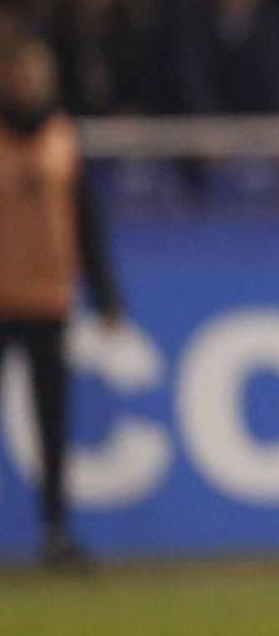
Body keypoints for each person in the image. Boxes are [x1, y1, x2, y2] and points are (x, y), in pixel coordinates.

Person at [0, 32, 123, 567]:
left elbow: (87, 224)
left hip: (49, 298)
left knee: (53, 426)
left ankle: (55, 530)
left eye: (34, 70)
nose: (27, 80)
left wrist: (105, 294)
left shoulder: (63, 138)